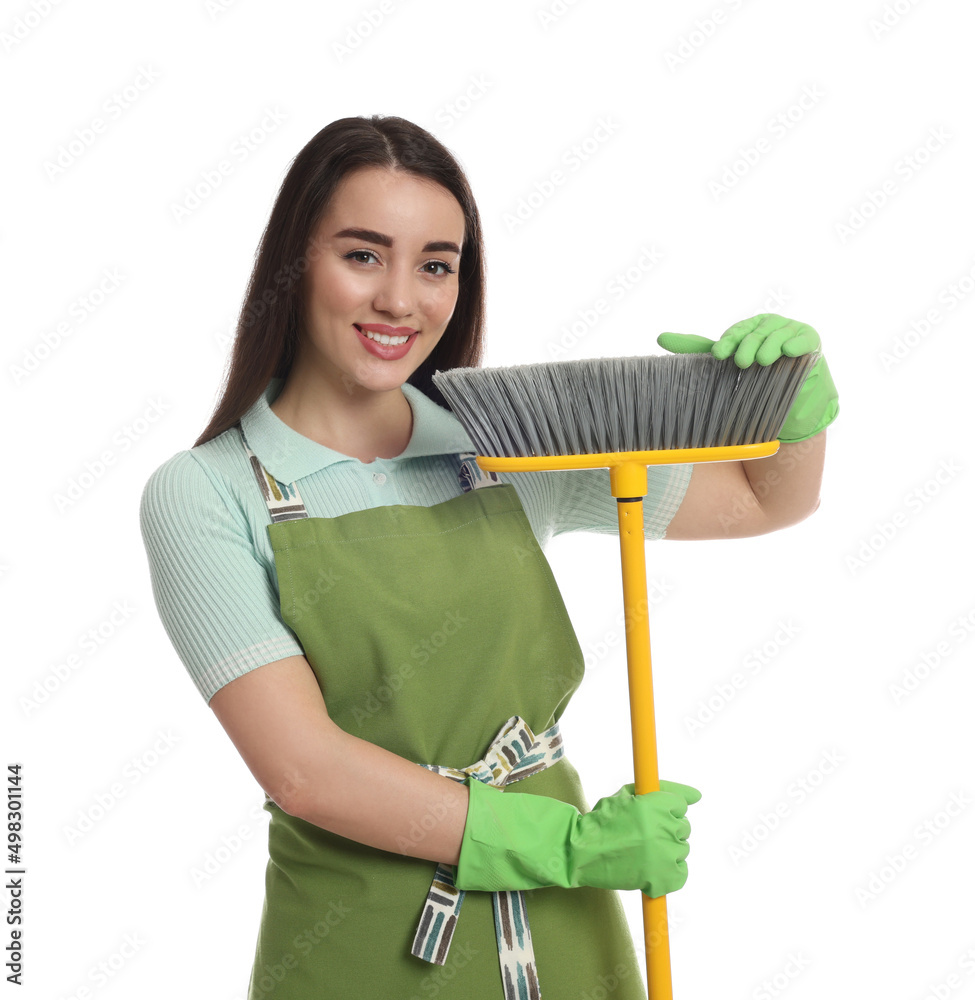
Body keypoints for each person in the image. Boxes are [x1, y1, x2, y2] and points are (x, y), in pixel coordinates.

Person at [138, 115, 837, 1000]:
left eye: (436, 265)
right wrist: (570, 846)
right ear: (294, 263)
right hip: (362, 942)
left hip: (564, 929)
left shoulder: (505, 442)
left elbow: (763, 500)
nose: (401, 300)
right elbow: (304, 770)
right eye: (363, 255)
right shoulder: (206, 491)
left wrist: (793, 411)